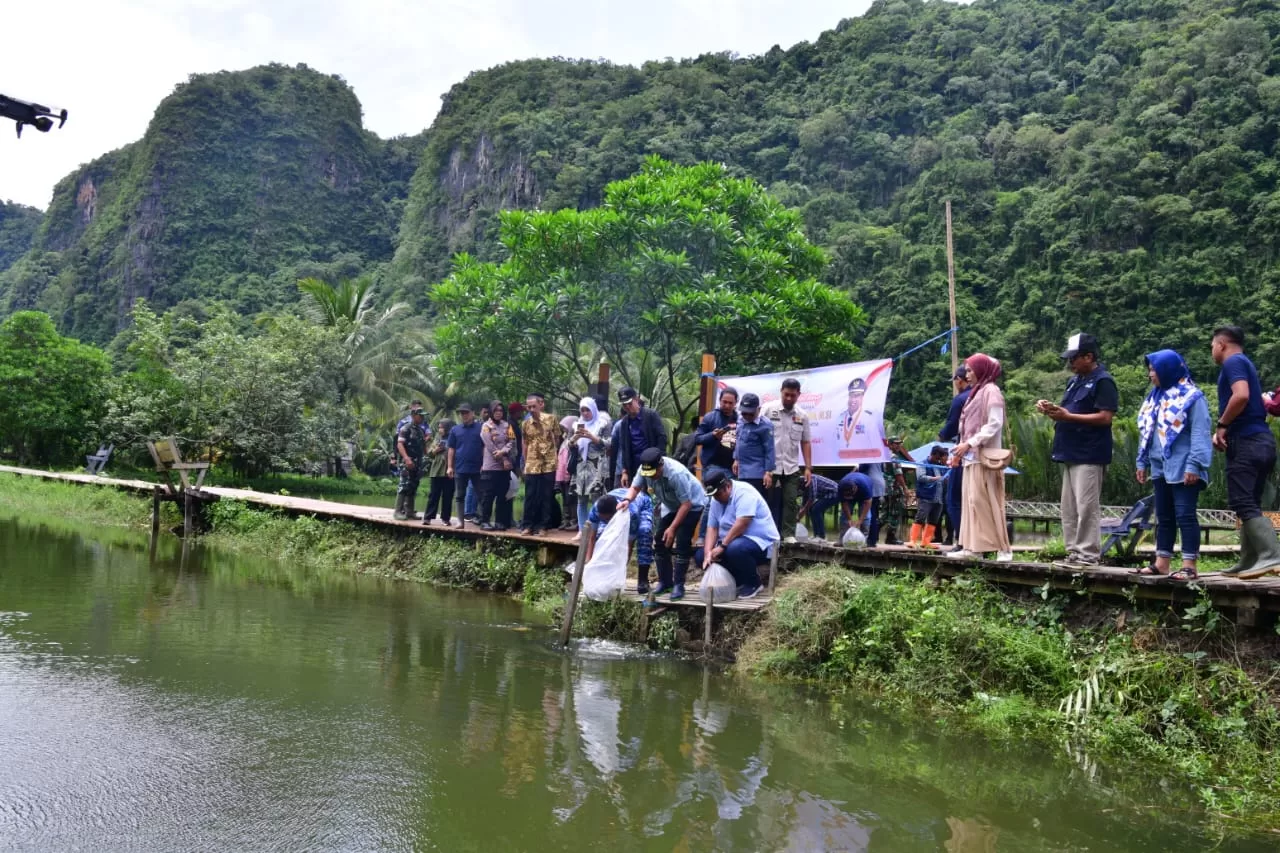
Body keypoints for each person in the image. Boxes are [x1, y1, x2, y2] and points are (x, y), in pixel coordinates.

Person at [1036, 333, 1118, 569]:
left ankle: (1088, 555)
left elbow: (1105, 417)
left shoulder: (1103, 381)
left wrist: (1068, 416)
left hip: (1089, 453)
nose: (1070, 363)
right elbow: (1068, 410)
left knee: (1086, 506)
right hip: (1069, 451)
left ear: (1088, 356)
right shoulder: (1074, 381)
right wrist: (1051, 409)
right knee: (1069, 507)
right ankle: (1073, 552)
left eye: (1074, 359)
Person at [1134, 350, 1211, 579]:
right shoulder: (1155, 398)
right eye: (1149, 370)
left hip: (1184, 465)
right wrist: (1142, 460)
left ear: (1168, 370)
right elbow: (1146, 433)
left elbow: (1200, 432)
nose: (1150, 375)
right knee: (1164, 516)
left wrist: (1194, 465)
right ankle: (1162, 562)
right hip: (1159, 466)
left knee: (1185, 515)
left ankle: (1189, 565)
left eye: (1154, 370)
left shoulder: (1192, 397)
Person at [1210, 326, 1280, 579]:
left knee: (1241, 500)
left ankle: (1272, 554)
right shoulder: (1244, 362)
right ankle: (1250, 559)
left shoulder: (1233, 363)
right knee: (1250, 501)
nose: (1212, 351)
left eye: (1212, 346)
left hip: (1247, 441)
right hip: (1262, 441)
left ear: (1221, 345)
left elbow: (1240, 396)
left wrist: (1222, 425)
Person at [947, 354, 1013, 561]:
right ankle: (973, 548)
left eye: (970, 370)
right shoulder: (976, 392)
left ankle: (1003, 548)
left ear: (981, 370)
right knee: (971, 502)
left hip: (986, 458)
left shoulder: (991, 391)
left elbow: (994, 424)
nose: (967, 374)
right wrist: (962, 449)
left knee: (989, 501)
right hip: (971, 457)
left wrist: (970, 443)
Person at [620, 447, 708, 601]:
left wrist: (673, 528)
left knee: (681, 541)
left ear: (660, 466)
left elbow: (686, 504)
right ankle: (665, 581)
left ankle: (679, 585)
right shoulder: (645, 468)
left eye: (654, 473)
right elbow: (635, 487)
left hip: (692, 505)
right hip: (672, 505)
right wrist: (627, 500)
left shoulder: (676, 474)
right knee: (659, 541)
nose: (652, 478)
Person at [696, 471, 780, 599]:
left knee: (735, 548)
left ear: (728, 487)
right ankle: (738, 580)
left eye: (718, 494)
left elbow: (742, 523)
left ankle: (754, 583)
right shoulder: (715, 500)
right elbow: (712, 527)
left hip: (762, 542)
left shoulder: (744, 492)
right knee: (700, 555)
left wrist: (722, 546)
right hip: (733, 542)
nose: (716, 498)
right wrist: (708, 553)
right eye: (714, 496)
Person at [762, 377, 813, 544]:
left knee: (791, 500)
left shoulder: (802, 416)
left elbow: (805, 442)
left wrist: (808, 468)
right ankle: (767, 533)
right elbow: (759, 436)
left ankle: (788, 534)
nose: (789, 398)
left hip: (791, 466)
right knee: (768, 500)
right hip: (770, 466)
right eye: (786, 395)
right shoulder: (768, 410)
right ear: (781, 392)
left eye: (793, 395)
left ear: (799, 395)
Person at [585, 489, 654, 593]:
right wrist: (588, 564)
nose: (605, 521)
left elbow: (628, 545)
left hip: (642, 505)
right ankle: (602, 571)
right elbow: (592, 538)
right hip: (615, 507)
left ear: (614, 514)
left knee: (644, 533)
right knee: (602, 536)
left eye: (607, 519)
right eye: (602, 519)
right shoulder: (596, 510)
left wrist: (619, 573)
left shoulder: (632, 513)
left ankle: (643, 580)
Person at [939, 366, 971, 547]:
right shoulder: (982, 394)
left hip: (963, 453)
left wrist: (942, 435)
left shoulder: (961, 399)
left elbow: (951, 425)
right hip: (979, 454)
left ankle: (962, 541)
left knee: (954, 500)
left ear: (960, 379)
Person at [571, 397, 612, 536]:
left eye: (587, 410)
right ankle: (582, 530)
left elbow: (609, 444)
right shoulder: (578, 424)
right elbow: (569, 445)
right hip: (581, 465)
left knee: (596, 498)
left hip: (597, 465)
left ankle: (596, 529)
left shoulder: (603, 424)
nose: (585, 413)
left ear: (593, 409)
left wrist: (592, 437)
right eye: (582, 410)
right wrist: (574, 439)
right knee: (581, 499)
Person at [520, 392, 559, 535]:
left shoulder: (551, 419)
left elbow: (556, 438)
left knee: (546, 495)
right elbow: (524, 442)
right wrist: (525, 461)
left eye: (533, 406)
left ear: (540, 405)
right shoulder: (525, 423)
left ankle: (543, 526)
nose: (531, 409)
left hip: (548, 463)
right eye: (529, 407)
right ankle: (528, 525)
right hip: (531, 463)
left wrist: (554, 456)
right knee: (530, 495)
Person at [610, 386, 667, 487]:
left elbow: (661, 438)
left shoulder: (650, 415)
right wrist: (624, 471)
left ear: (636, 399)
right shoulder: (624, 422)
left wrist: (659, 461)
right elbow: (624, 448)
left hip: (653, 464)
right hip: (634, 467)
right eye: (624, 405)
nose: (627, 407)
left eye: (629, 403)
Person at [478, 401, 516, 531]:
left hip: (504, 467)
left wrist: (504, 452)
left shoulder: (507, 426)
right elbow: (489, 445)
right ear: (491, 412)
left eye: (501, 410)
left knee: (502, 495)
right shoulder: (486, 426)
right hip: (490, 466)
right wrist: (499, 455)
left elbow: (511, 441)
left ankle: (500, 521)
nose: (499, 413)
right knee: (488, 495)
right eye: (496, 410)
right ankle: (485, 521)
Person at [446, 403, 484, 529]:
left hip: (477, 468)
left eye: (466, 412)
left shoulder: (481, 428)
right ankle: (460, 521)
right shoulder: (455, 430)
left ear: (473, 413)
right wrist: (450, 466)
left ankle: (482, 518)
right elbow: (451, 449)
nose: (464, 415)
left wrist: (484, 464)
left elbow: (485, 447)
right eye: (462, 413)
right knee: (459, 495)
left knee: (481, 494)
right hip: (460, 468)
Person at [732, 392, 775, 498]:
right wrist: (736, 459)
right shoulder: (740, 421)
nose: (746, 416)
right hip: (742, 471)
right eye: (744, 413)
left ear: (758, 410)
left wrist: (768, 472)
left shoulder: (765, 425)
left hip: (757, 474)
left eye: (750, 413)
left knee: (754, 504)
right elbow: (739, 441)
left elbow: (770, 450)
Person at [907, 445, 950, 549]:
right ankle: (912, 540)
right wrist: (934, 478)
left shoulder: (940, 465)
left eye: (940, 459)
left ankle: (926, 542)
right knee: (920, 517)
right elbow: (921, 477)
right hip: (926, 496)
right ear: (933, 454)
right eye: (937, 458)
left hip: (938, 497)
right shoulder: (923, 463)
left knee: (933, 520)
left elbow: (945, 477)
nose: (938, 460)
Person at [695, 387, 739, 482]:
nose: (727, 405)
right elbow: (697, 439)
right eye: (724, 402)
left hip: (733, 468)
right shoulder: (710, 417)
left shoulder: (740, 420)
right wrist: (712, 435)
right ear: (720, 401)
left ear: (736, 403)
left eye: (730, 403)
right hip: (712, 467)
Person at [393, 407, 427, 520]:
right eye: (420, 415)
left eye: (423, 415)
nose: (422, 417)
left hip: (417, 462)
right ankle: (397, 511)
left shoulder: (421, 430)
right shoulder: (405, 428)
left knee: (413, 486)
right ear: (413, 415)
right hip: (407, 461)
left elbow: (423, 447)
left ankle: (410, 511)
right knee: (403, 486)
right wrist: (407, 458)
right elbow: (400, 444)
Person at [422, 417, 455, 526]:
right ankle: (428, 517)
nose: (440, 429)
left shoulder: (454, 438)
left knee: (447, 496)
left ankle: (446, 518)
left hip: (449, 471)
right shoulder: (437, 438)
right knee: (433, 495)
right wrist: (436, 450)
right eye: (439, 427)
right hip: (436, 471)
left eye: (442, 427)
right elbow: (430, 453)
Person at [798, 472, 841, 541]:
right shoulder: (804, 484)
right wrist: (801, 512)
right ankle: (816, 535)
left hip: (835, 493)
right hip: (826, 495)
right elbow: (805, 499)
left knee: (816, 509)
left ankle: (821, 536)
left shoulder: (811, 480)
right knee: (812, 509)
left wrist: (803, 511)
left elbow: (812, 498)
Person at [835, 377, 873, 447]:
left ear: (862, 398)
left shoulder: (869, 419)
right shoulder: (839, 418)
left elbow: (874, 444)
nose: (853, 399)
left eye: (856, 396)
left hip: (861, 456)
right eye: (851, 396)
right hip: (841, 456)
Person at [837, 470, 875, 535]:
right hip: (852, 490)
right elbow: (844, 504)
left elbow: (868, 503)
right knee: (844, 516)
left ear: (855, 488)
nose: (851, 497)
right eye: (848, 496)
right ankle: (843, 539)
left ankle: (863, 539)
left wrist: (860, 520)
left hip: (863, 494)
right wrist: (849, 519)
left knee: (866, 517)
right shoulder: (841, 487)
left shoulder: (864, 486)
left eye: (851, 495)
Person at [556, 415, 577, 532]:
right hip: (562, 475)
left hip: (569, 474)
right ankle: (566, 519)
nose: (564, 430)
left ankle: (574, 520)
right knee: (564, 498)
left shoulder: (573, 441)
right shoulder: (564, 441)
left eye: (565, 428)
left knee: (572, 498)